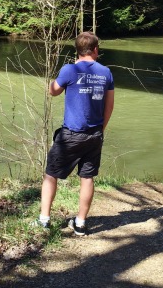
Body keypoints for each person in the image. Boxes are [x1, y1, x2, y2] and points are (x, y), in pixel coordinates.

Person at [37, 31, 114, 236]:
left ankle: (44, 220)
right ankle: (80, 223)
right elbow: (109, 106)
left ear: (77, 50)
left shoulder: (70, 70)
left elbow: (53, 91)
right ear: (96, 50)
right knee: (87, 177)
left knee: (51, 174)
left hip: (70, 134)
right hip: (95, 134)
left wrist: (58, 77)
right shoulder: (106, 72)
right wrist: (100, 129)